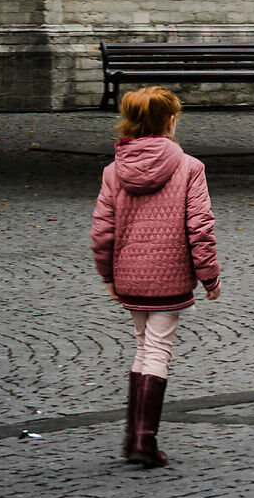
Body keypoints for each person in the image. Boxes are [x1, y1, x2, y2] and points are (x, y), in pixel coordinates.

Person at [91, 84, 222, 467]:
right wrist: (210, 276)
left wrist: (109, 276)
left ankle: (134, 435)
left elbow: (102, 230)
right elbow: (200, 227)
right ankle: (144, 440)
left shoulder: (114, 170)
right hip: (170, 276)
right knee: (158, 350)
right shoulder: (189, 167)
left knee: (142, 347)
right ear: (170, 120)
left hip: (130, 275)